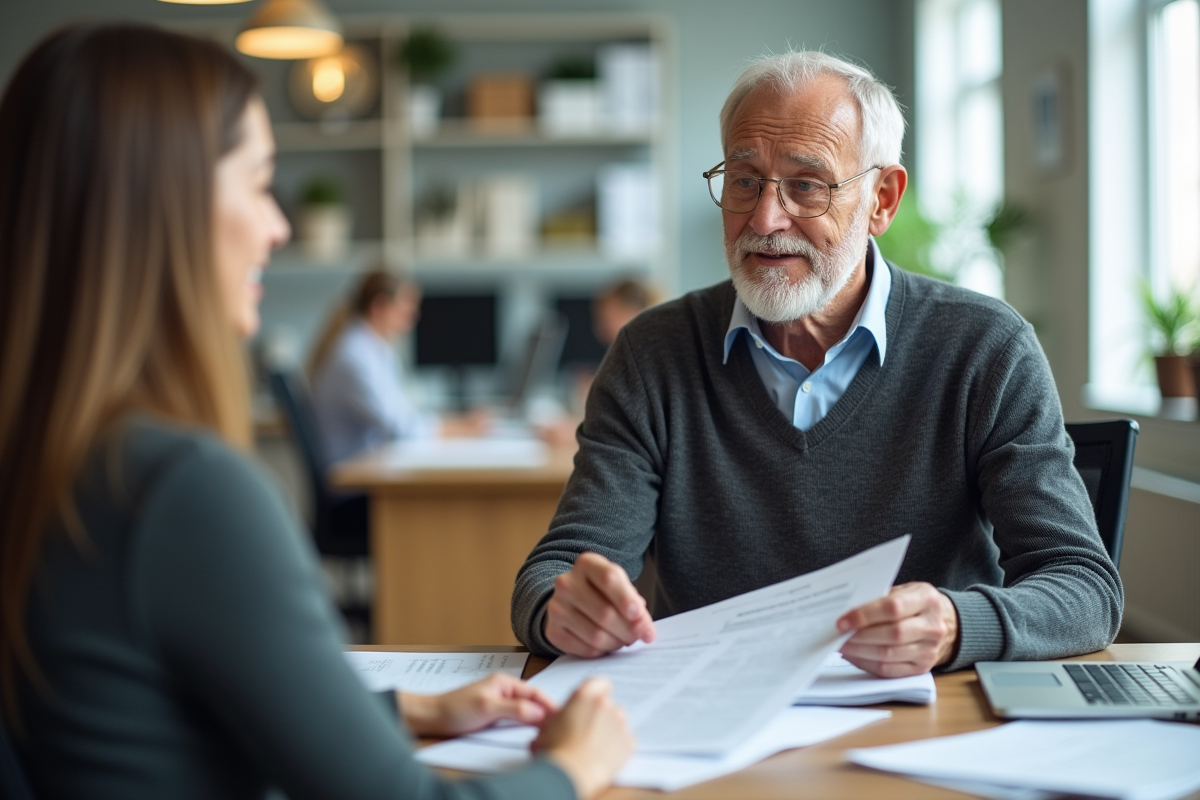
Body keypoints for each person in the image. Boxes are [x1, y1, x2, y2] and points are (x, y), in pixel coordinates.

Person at [0, 23, 631, 800]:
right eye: (260, 183)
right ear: (163, 205)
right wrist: (572, 765)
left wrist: (405, 708)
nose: (280, 226)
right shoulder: (178, 490)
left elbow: (145, 720)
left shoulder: (50, 460)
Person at [512, 51, 1122, 678]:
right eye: (744, 180)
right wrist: (563, 606)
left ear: (882, 200)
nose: (765, 219)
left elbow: (1084, 589)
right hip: (701, 722)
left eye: (807, 185)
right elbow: (552, 572)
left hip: (924, 725)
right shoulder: (651, 353)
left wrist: (958, 624)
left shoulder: (984, 347)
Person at [308, 270, 490, 465]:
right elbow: (400, 428)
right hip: (351, 476)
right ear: (379, 307)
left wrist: (455, 424)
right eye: (406, 310)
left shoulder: (375, 350)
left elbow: (404, 414)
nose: (413, 318)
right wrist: (461, 429)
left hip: (368, 464)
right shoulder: (354, 356)